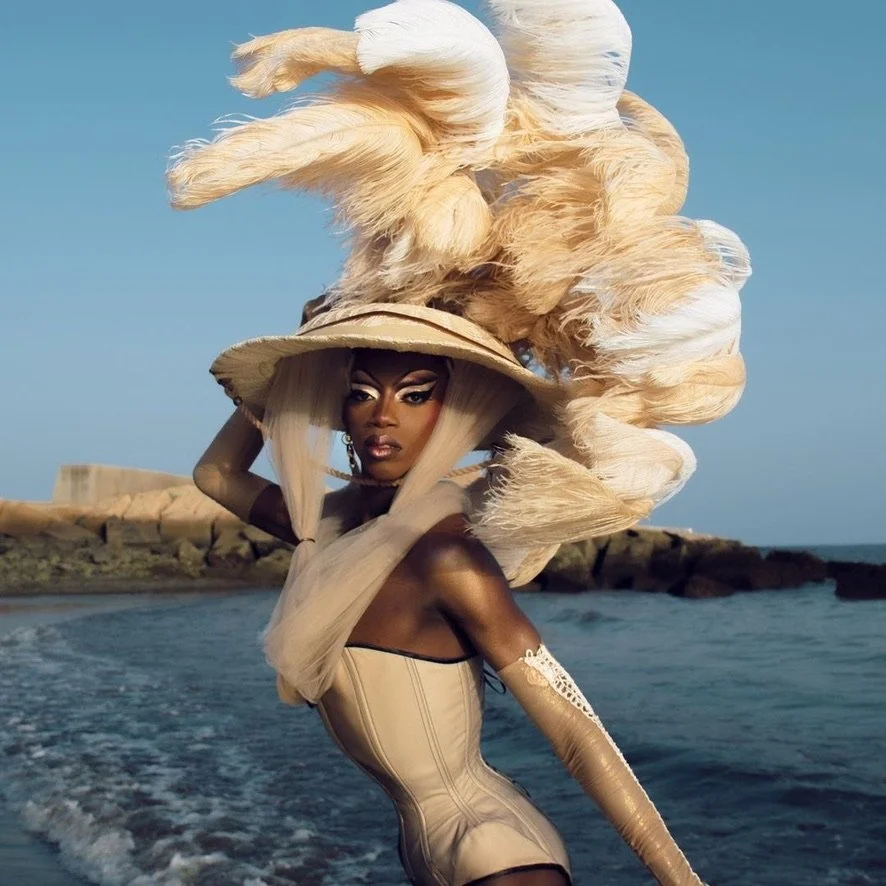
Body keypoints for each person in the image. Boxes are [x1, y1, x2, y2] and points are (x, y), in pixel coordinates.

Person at [170, 1, 748, 882]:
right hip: (424, 848)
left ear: (459, 411)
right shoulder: (331, 529)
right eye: (357, 391)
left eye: (413, 394)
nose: (378, 416)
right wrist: (282, 388)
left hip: (494, 853)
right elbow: (216, 475)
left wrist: (679, 877)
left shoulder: (448, 560)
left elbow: (576, 734)